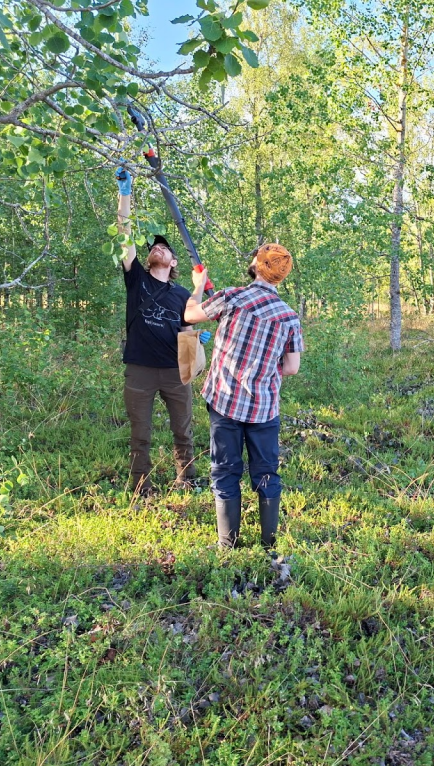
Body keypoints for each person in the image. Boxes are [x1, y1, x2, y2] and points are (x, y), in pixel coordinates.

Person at [184, 244, 304, 548]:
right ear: (281, 276)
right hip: (264, 408)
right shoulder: (289, 316)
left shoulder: (231, 297)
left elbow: (190, 315)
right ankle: (269, 545)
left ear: (257, 265)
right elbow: (292, 367)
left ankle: (228, 545)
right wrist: (264, 366)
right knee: (267, 473)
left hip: (225, 400)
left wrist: (198, 287)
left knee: (225, 471)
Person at [115, 167, 208, 496]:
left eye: (164, 247)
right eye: (153, 247)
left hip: (174, 371)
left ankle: (187, 478)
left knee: (182, 429)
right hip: (139, 370)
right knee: (140, 433)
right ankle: (141, 486)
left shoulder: (182, 294)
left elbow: (190, 324)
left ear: (173, 262)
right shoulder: (136, 279)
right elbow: (124, 234)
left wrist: (196, 334)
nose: (157, 248)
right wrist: (124, 194)